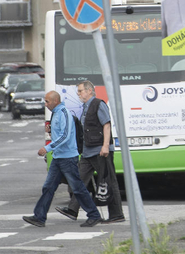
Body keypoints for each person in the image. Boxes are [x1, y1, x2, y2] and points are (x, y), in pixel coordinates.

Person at [23, 91, 102, 228]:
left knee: (77, 188)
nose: (45, 104)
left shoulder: (64, 112)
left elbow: (65, 136)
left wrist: (47, 148)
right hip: (58, 157)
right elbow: (59, 133)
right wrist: (50, 130)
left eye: (47, 101)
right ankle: (39, 217)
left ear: (55, 101)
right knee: (48, 187)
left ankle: (94, 215)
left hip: (67, 158)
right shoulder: (55, 113)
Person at [62, 81, 125, 223]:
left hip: (100, 151)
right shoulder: (85, 107)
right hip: (87, 151)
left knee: (109, 182)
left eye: (80, 91)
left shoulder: (98, 104)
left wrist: (105, 146)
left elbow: (106, 125)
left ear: (89, 90)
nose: (78, 94)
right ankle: (72, 209)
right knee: (79, 180)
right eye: (78, 91)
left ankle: (116, 214)